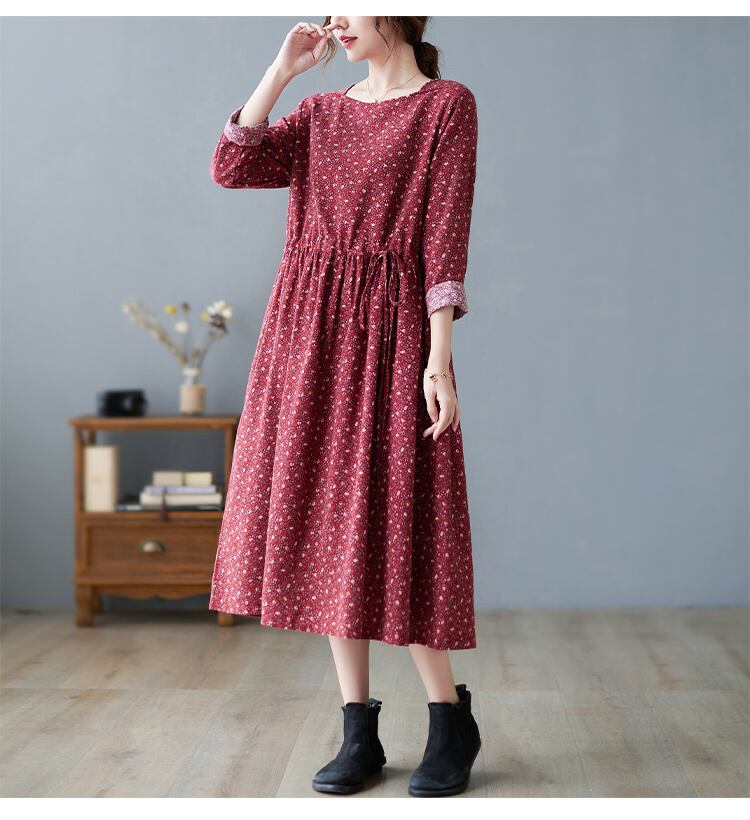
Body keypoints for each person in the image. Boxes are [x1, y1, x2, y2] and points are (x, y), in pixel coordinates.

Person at [208, 16, 481, 797]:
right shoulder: (321, 113)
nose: (333, 19)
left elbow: (445, 236)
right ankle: (357, 728)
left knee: (398, 514)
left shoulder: (446, 105)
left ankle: (448, 721)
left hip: (393, 330)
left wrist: (438, 359)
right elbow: (232, 164)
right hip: (304, 332)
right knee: (329, 519)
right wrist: (282, 71)